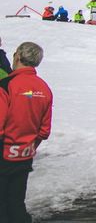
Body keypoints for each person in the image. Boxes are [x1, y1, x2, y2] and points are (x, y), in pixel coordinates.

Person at [0, 42, 53, 223]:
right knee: (16, 201)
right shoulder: (43, 87)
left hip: (4, 151)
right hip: (25, 153)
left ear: (17, 57)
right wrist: (29, 144)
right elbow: (45, 130)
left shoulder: (7, 85)